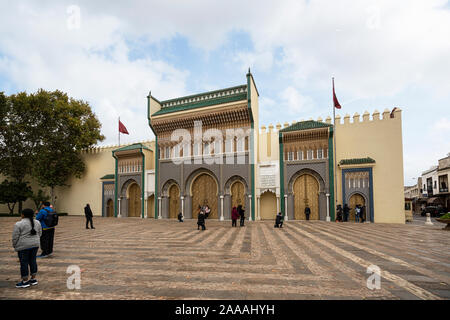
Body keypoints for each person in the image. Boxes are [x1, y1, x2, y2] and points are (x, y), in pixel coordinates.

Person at [12, 208, 42, 288]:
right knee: (33, 260)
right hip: (35, 245)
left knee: (24, 263)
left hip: (23, 246)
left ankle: (25, 281)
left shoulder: (18, 224)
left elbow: (15, 237)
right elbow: (40, 233)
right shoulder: (37, 222)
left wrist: (15, 245)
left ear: (23, 215)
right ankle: (33, 279)